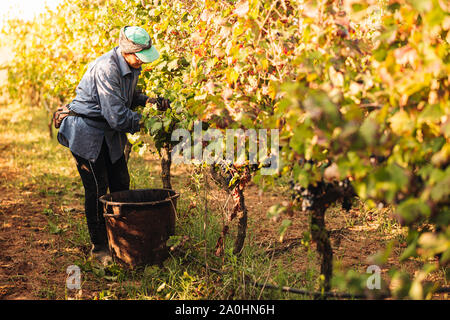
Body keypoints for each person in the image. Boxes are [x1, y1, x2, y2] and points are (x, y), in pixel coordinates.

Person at [57, 26, 170, 265]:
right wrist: (150, 121)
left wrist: (148, 100)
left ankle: (122, 239)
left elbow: (127, 96)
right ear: (127, 52)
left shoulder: (131, 66)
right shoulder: (106, 68)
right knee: (97, 189)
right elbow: (117, 117)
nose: (142, 63)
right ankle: (99, 248)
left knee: (121, 182)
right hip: (87, 132)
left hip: (109, 134)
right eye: (140, 57)